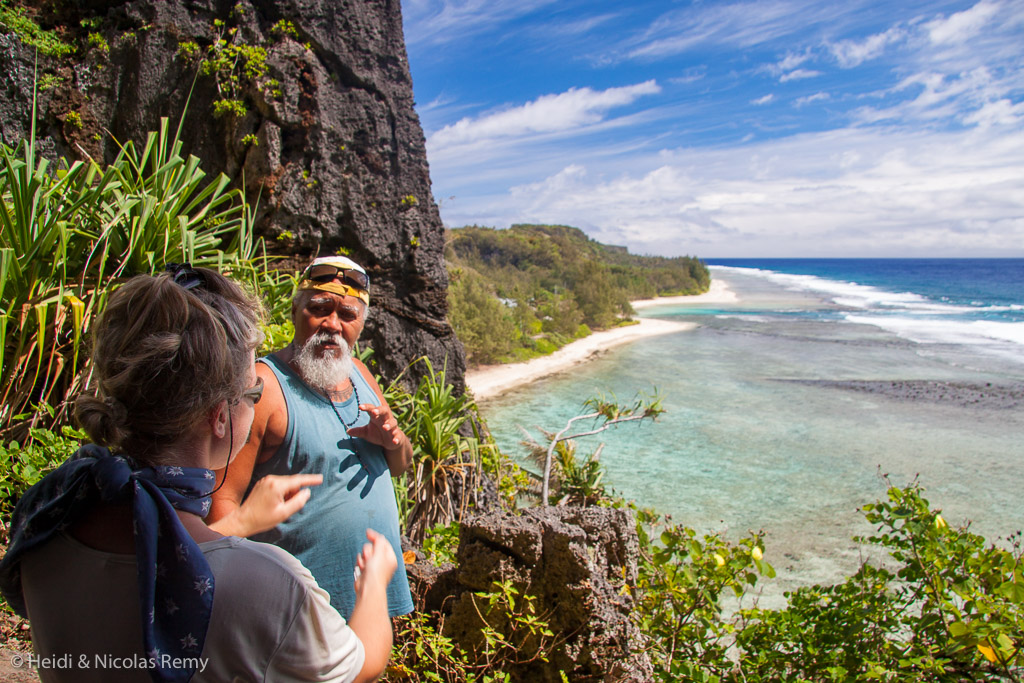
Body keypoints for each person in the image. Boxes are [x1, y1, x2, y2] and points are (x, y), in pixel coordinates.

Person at [0, 265, 396, 682]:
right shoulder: (266, 584)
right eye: (253, 393)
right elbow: (362, 665)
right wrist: (373, 581)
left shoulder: (46, 522)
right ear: (219, 416)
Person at [208, 256, 415, 619]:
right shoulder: (265, 387)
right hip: (297, 613)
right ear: (295, 310)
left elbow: (399, 466)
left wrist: (393, 442)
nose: (332, 324)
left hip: (371, 601)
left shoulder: (360, 374)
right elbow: (221, 502)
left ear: (361, 324)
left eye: (347, 314)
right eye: (319, 308)